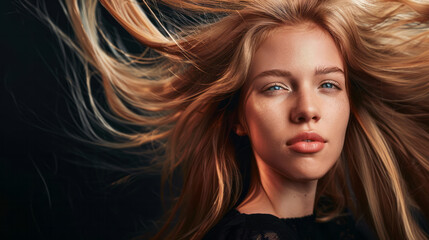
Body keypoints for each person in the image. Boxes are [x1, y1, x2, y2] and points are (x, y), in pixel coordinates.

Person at [55, 0, 429, 239]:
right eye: (275, 88)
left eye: (328, 84)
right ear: (238, 117)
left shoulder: (341, 227)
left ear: (351, 102)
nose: (307, 109)